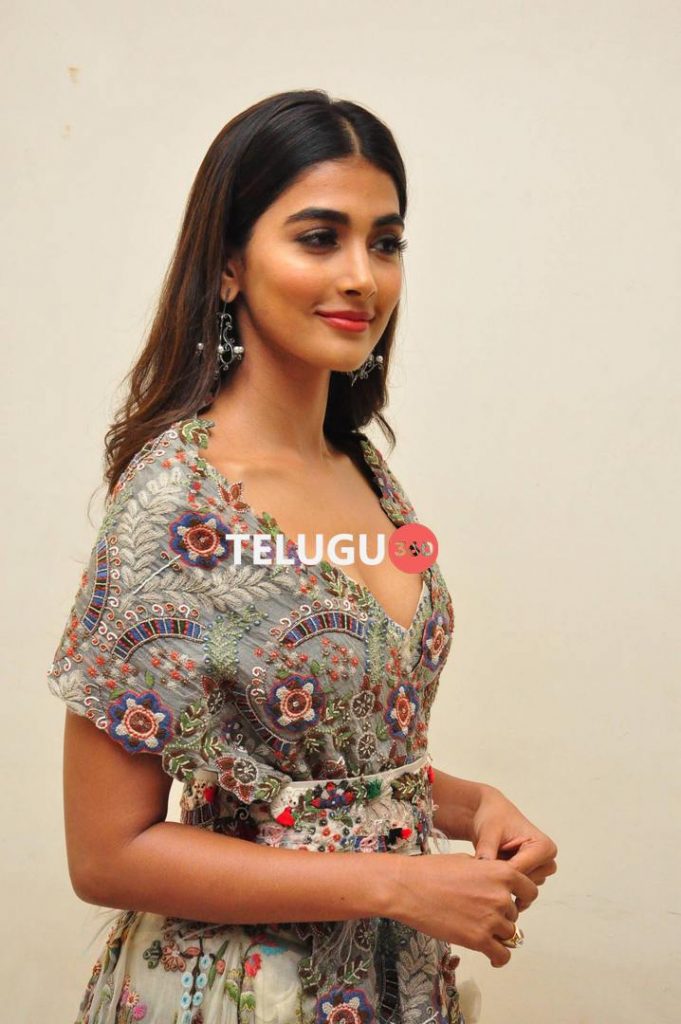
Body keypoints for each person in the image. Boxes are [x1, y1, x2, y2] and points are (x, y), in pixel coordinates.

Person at [47, 88, 558, 1024]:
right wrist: (395, 884)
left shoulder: (361, 469)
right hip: (242, 992)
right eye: (320, 238)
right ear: (229, 264)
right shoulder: (179, 506)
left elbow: (312, 770)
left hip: (391, 985)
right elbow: (106, 854)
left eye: (385, 242)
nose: (362, 276)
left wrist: (470, 804)